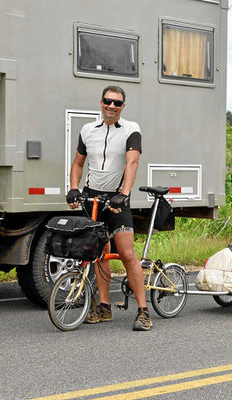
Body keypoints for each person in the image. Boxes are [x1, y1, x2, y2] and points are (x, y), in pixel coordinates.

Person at [66, 85, 151, 331]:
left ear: (123, 107)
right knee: (100, 252)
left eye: (117, 103)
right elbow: (78, 163)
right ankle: (104, 308)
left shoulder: (131, 129)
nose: (111, 106)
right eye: (107, 101)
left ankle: (144, 311)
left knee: (126, 253)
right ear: (101, 102)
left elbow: (132, 162)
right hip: (93, 197)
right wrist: (74, 187)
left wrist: (124, 194)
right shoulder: (87, 130)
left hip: (116, 198)